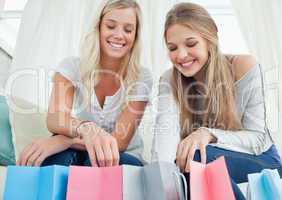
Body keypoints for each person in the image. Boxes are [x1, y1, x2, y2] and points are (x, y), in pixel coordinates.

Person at [152, 2, 282, 199]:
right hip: (205, 160)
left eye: (191, 43)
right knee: (178, 169)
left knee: (196, 158)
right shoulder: (169, 80)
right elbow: (164, 149)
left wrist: (208, 134)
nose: (181, 55)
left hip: (261, 159)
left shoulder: (243, 66)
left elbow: (258, 139)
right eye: (172, 48)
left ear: (210, 38)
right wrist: (159, 184)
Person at [17, 0, 152, 168]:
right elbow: (56, 118)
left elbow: (120, 141)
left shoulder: (141, 76)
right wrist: (85, 129)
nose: (119, 34)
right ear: (99, 28)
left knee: (96, 164)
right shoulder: (72, 67)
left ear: (135, 36)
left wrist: (63, 140)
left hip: (124, 154)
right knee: (54, 160)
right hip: (82, 148)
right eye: (110, 26)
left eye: (128, 29)